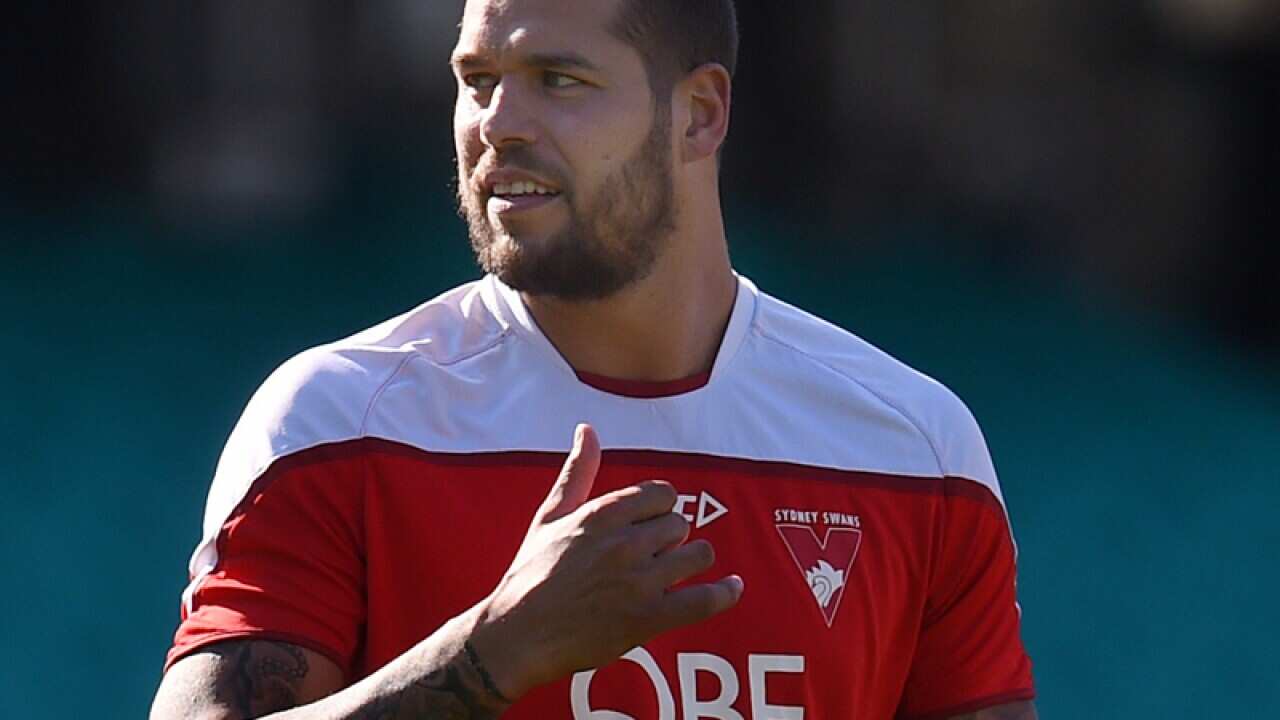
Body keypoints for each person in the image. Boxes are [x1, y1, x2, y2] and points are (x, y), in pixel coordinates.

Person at [150, 0, 1038, 718]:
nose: (497, 124)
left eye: (557, 80)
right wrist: (494, 653)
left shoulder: (913, 451)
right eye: (478, 81)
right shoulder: (340, 423)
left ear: (699, 114)